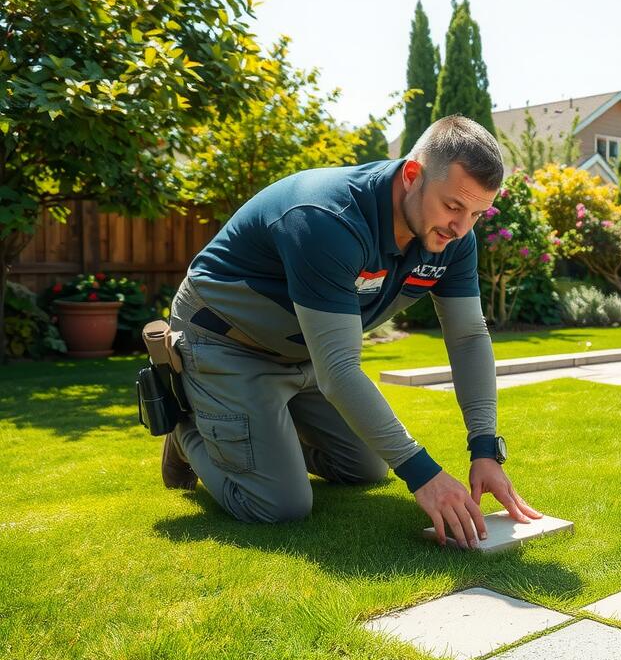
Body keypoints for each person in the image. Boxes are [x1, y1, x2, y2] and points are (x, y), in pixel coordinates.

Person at [161, 115, 539, 546]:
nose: (461, 228)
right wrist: (423, 474)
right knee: (277, 504)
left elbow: (469, 337)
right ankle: (188, 427)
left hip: (306, 354)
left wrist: (486, 448)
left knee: (365, 469)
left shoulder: (453, 239)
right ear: (412, 175)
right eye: (453, 206)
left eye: (477, 213)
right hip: (226, 341)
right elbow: (340, 368)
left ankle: (253, 434)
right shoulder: (326, 217)